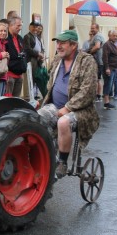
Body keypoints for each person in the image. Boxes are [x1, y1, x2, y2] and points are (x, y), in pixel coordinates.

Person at [37, 30, 99, 180]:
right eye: (57, 42)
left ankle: (62, 162)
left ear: (73, 45)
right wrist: (43, 100)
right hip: (55, 105)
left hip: (80, 110)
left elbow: (88, 91)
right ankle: (41, 155)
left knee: (63, 122)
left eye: (62, 43)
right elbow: (51, 84)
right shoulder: (58, 59)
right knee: (36, 118)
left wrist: (68, 107)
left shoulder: (87, 61)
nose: (58, 46)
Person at [4, 16, 27, 97]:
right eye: (18, 26)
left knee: (16, 101)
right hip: (9, 76)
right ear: (11, 25)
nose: (20, 28)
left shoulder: (20, 38)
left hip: (19, 75)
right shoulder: (5, 38)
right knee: (8, 101)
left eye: (21, 26)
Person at [23, 20, 45, 99]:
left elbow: (42, 47)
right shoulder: (27, 36)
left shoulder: (37, 37)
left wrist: (41, 54)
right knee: (29, 78)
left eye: (36, 27)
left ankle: (35, 95)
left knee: (36, 77)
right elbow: (27, 49)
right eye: (33, 27)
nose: (35, 28)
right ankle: (28, 97)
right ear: (29, 27)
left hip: (38, 60)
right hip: (30, 60)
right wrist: (38, 54)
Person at [101, 29, 117, 109]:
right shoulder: (107, 44)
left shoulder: (114, 44)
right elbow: (105, 57)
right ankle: (106, 102)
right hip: (110, 68)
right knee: (108, 85)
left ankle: (107, 101)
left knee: (110, 85)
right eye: (114, 36)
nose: (115, 37)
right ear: (109, 36)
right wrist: (107, 68)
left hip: (114, 68)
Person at [87, 22, 105, 101]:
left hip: (98, 61)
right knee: (97, 78)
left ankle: (98, 96)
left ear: (97, 28)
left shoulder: (98, 36)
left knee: (97, 79)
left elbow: (97, 46)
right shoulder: (96, 36)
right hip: (98, 61)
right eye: (91, 28)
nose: (92, 30)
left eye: (93, 28)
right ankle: (98, 95)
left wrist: (89, 52)